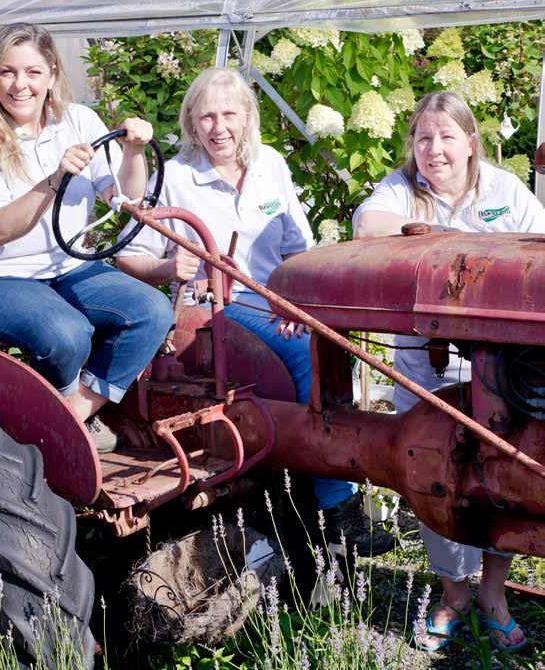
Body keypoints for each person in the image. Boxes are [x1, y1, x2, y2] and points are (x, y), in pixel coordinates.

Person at [117, 66, 394, 557]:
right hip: (213, 309)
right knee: (308, 357)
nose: (218, 127)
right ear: (191, 122)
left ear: (247, 117)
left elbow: (298, 249)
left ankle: (335, 477)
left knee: (334, 345)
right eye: (206, 116)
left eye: (229, 114)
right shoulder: (176, 176)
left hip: (274, 301)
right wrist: (167, 267)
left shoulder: (270, 165)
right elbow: (128, 255)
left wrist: (300, 304)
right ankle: (337, 509)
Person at [353, 91, 545, 652]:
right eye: (423, 138)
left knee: (505, 476)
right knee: (433, 474)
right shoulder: (400, 188)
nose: (434, 149)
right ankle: (454, 594)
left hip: (502, 368)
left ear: (470, 142)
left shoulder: (504, 190)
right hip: (426, 364)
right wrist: (436, 236)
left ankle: (493, 594)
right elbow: (368, 226)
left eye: (446, 137)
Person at [0, 23, 173, 453]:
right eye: (7, 72)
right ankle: (57, 422)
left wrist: (134, 151)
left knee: (152, 310)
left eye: (33, 72)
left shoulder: (77, 120)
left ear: (53, 74)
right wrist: (54, 179)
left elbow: (127, 198)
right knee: (67, 333)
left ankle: (72, 414)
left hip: (65, 268)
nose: (20, 84)